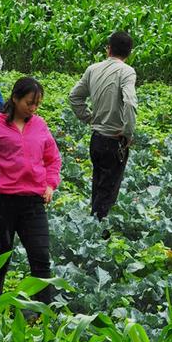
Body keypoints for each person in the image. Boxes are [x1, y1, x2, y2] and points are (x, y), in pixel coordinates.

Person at [0, 77, 61, 304]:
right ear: (15, 98)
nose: (34, 108)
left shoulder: (39, 125)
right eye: (30, 102)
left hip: (32, 203)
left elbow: (53, 158)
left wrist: (50, 184)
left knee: (40, 258)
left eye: (37, 103)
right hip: (0, 202)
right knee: (0, 259)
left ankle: (44, 314)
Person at [69, 31, 138, 225]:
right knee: (108, 191)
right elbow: (130, 103)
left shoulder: (93, 69)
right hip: (114, 140)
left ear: (108, 49)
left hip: (97, 138)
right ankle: (97, 232)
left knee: (98, 185)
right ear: (129, 53)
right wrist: (127, 132)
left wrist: (89, 118)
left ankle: (92, 228)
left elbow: (74, 97)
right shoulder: (127, 72)